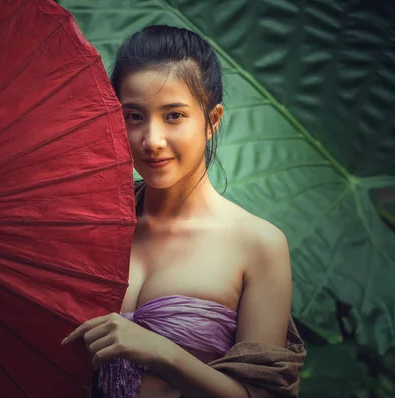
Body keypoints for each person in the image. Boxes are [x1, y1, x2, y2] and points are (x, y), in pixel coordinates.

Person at [62, 25, 303, 398]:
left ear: (213, 120)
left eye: (173, 116)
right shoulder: (91, 224)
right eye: (134, 117)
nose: (152, 141)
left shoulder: (258, 245)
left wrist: (163, 353)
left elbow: (265, 395)